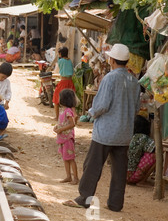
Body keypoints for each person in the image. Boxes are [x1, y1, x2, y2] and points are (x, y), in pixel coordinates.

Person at [63, 43, 140, 212]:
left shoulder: (110, 78)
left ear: (112, 60)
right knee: (119, 170)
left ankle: (84, 198)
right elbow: (136, 108)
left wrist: (90, 113)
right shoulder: (134, 81)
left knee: (93, 166)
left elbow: (101, 105)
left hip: (105, 132)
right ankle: (115, 204)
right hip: (124, 133)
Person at [53, 89, 78, 185]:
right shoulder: (64, 111)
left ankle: (75, 178)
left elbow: (72, 124)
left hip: (67, 138)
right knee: (65, 157)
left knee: (70, 158)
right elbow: (63, 123)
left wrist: (61, 129)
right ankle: (68, 176)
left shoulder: (68, 111)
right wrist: (57, 127)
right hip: (63, 137)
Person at [127, 115, 155, 184]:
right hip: (133, 175)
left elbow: (133, 158)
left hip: (129, 176)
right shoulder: (145, 139)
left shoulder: (136, 138)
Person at [53, 47, 76, 120]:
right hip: (70, 81)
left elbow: (57, 70)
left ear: (60, 54)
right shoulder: (69, 61)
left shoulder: (60, 61)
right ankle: (74, 115)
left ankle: (57, 117)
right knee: (71, 99)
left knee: (56, 98)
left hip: (63, 82)